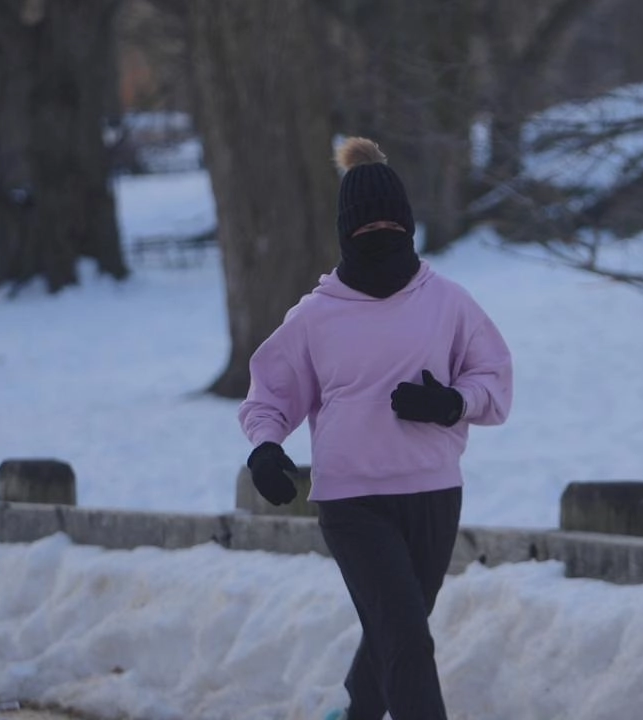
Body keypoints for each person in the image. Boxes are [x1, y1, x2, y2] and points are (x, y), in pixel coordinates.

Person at [238, 137, 514, 720]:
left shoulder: (448, 303)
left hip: (434, 494)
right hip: (353, 501)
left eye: (393, 224)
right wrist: (265, 448)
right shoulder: (314, 316)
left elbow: (495, 386)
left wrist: (450, 403)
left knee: (399, 627)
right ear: (347, 232)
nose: (382, 236)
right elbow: (271, 394)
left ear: (410, 226)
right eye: (369, 227)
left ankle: (354, 712)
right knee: (407, 637)